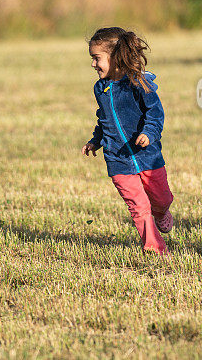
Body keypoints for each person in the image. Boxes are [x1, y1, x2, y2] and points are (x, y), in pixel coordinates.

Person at [82, 27, 174, 254]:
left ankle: (162, 212)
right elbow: (104, 118)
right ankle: (154, 246)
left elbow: (155, 114)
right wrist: (96, 140)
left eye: (97, 58)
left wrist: (149, 134)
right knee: (139, 207)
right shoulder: (100, 88)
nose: (93, 64)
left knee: (160, 199)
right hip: (117, 159)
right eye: (92, 58)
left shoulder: (138, 83)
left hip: (148, 157)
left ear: (116, 57)